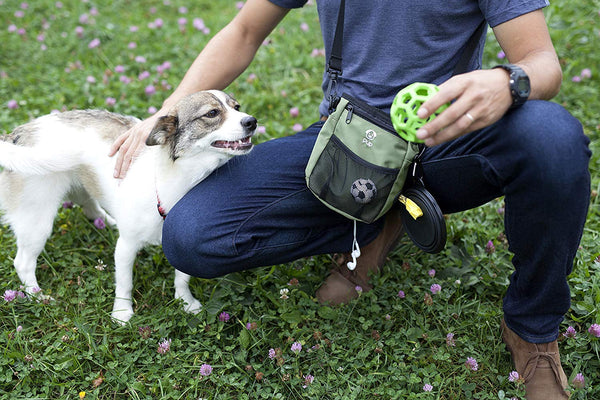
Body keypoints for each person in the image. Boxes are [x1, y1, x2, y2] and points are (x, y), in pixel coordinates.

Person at [108, 1, 591, 398]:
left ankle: (532, 328)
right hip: (346, 141)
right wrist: (168, 110)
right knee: (192, 236)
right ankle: (374, 220)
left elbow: (542, 64)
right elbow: (243, 31)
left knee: (554, 138)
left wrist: (508, 82)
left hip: (449, 137)